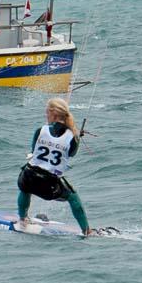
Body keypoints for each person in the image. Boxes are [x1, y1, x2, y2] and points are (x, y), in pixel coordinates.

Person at [17, 98, 91, 236]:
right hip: (50, 184)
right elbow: (72, 154)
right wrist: (77, 138)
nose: (46, 116)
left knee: (25, 188)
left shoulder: (40, 130)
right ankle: (86, 230)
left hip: (29, 176)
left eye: (47, 113)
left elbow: (34, 151)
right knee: (73, 198)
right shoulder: (73, 136)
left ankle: (22, 218)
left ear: (54, 115)